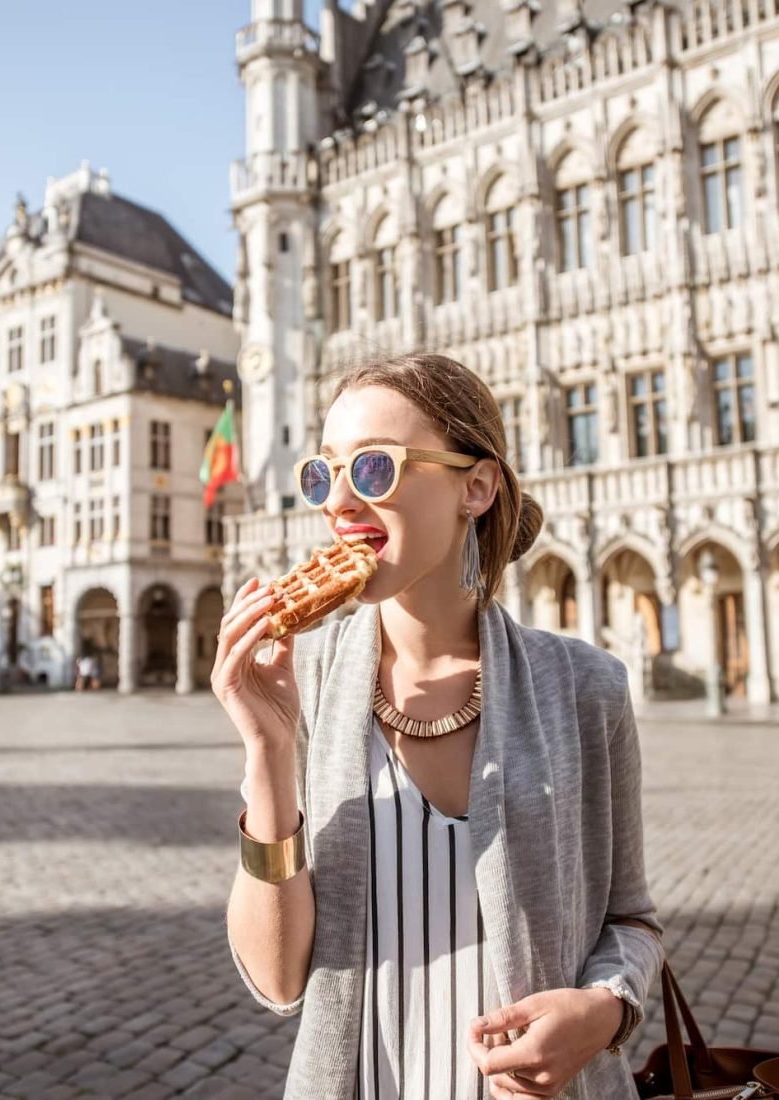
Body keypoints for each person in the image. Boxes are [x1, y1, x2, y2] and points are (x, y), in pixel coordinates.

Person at [215, 354, 663, 1100]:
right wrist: (267, 753)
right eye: (325, 475)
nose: (340, 504)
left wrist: (607, 1010)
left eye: (376, 468)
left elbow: (631, 919)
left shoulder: (587, 688)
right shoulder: (308, 683)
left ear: (476, 487)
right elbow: (277, 977)